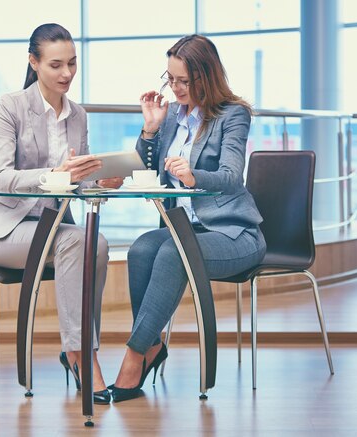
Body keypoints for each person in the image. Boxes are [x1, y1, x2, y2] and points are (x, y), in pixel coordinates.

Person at [0, 23, 122, 404]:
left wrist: (98, 182)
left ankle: (79, 348)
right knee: (77, 243)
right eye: (55, 65)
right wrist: (55, 174)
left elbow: (75, 182)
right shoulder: (11, 106)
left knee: (97, 245)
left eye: (72, 63)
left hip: (50, 230)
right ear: (34, 62)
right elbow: (0, 178)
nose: (66, 74)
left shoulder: (78, 115)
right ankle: (82, 356)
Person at [110, 34, 267, 402]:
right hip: (188, 229)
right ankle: (152, 344)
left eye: (184, 81)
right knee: (142, 248)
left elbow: (231, 177)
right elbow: (145, 169)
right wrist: (150, 129)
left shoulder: (232, 115)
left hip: (234, 234)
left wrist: (194, 174)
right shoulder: (172, 118)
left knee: (172, 252)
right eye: (171, 79)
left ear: (204, 77)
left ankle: (134, 357)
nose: (176, 88)